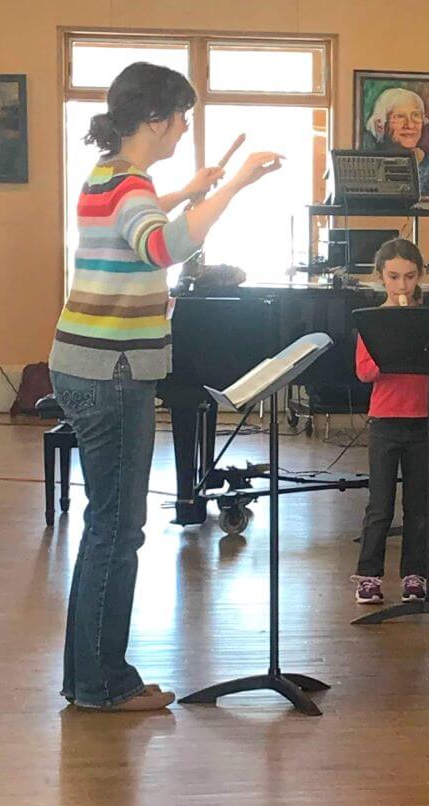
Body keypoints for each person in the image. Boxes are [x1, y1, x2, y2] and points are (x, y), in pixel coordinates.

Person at [48, 62, 282, 711]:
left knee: (106, 528)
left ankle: (88, 677)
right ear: (155, 118)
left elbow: (139, 221)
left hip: (84, 363)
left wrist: (189, 188)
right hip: (112, 371)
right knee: (116, 532)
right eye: (181, 115)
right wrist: (233, 183)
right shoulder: (131, 187)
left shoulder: (115, 176)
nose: (184, 127)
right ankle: (102, 684)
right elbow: (160, 247)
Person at [352, 239, 429, 606]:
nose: (402, 286)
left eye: (410, 277)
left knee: (419, 505)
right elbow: (364, 372)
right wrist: (391, 354)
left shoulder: (426, 321)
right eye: (394, 277)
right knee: (380, 504)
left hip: (420, 421)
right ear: (381, 277)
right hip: (385, 420)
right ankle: (369, 575)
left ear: (420, 277)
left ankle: (414, 575)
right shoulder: (372, 322)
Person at [365, 87, 429, 197]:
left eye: (416, 115)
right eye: (400, 117)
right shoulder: (369, 170)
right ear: (380, 125)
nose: (410, 125)